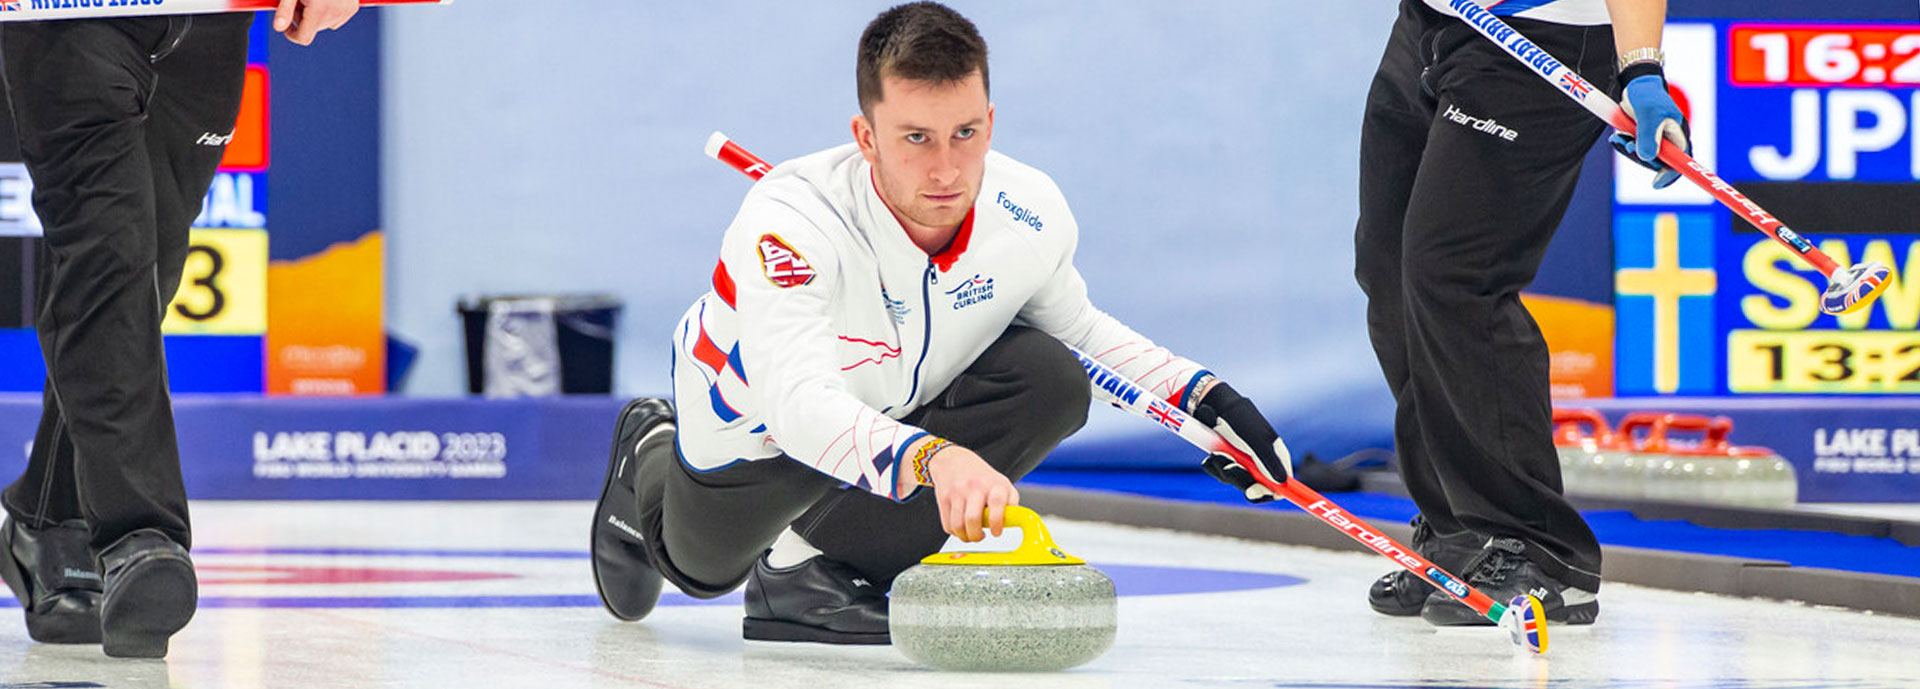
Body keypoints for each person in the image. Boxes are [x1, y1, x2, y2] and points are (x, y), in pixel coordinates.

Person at [591, 1, 1293, 645]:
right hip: (764, 433)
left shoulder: (1028, 210)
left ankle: (810, 572)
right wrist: (936, 457)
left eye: (966, 133)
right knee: (702, 570)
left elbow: (1081, 333)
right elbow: (800, 407)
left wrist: (1208, 402)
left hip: (893, 407)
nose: (948, 169)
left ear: (992, 119)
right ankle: (647, 453)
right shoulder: (791, 225)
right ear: (865, 137)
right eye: (916, 138)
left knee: (1051, 378)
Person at [0, 0, 360, 658]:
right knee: (108, 256)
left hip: (210, 20)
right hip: (64, 19)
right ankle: (141, 535)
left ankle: (47, 518)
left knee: (150, 271)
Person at [1352, 0, 1688, 625]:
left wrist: (1639, 70)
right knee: (1388, 269)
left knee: (1460, 277)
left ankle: (1542, 551)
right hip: (1432, 22)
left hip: (1539, 36)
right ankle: (1461, 532)